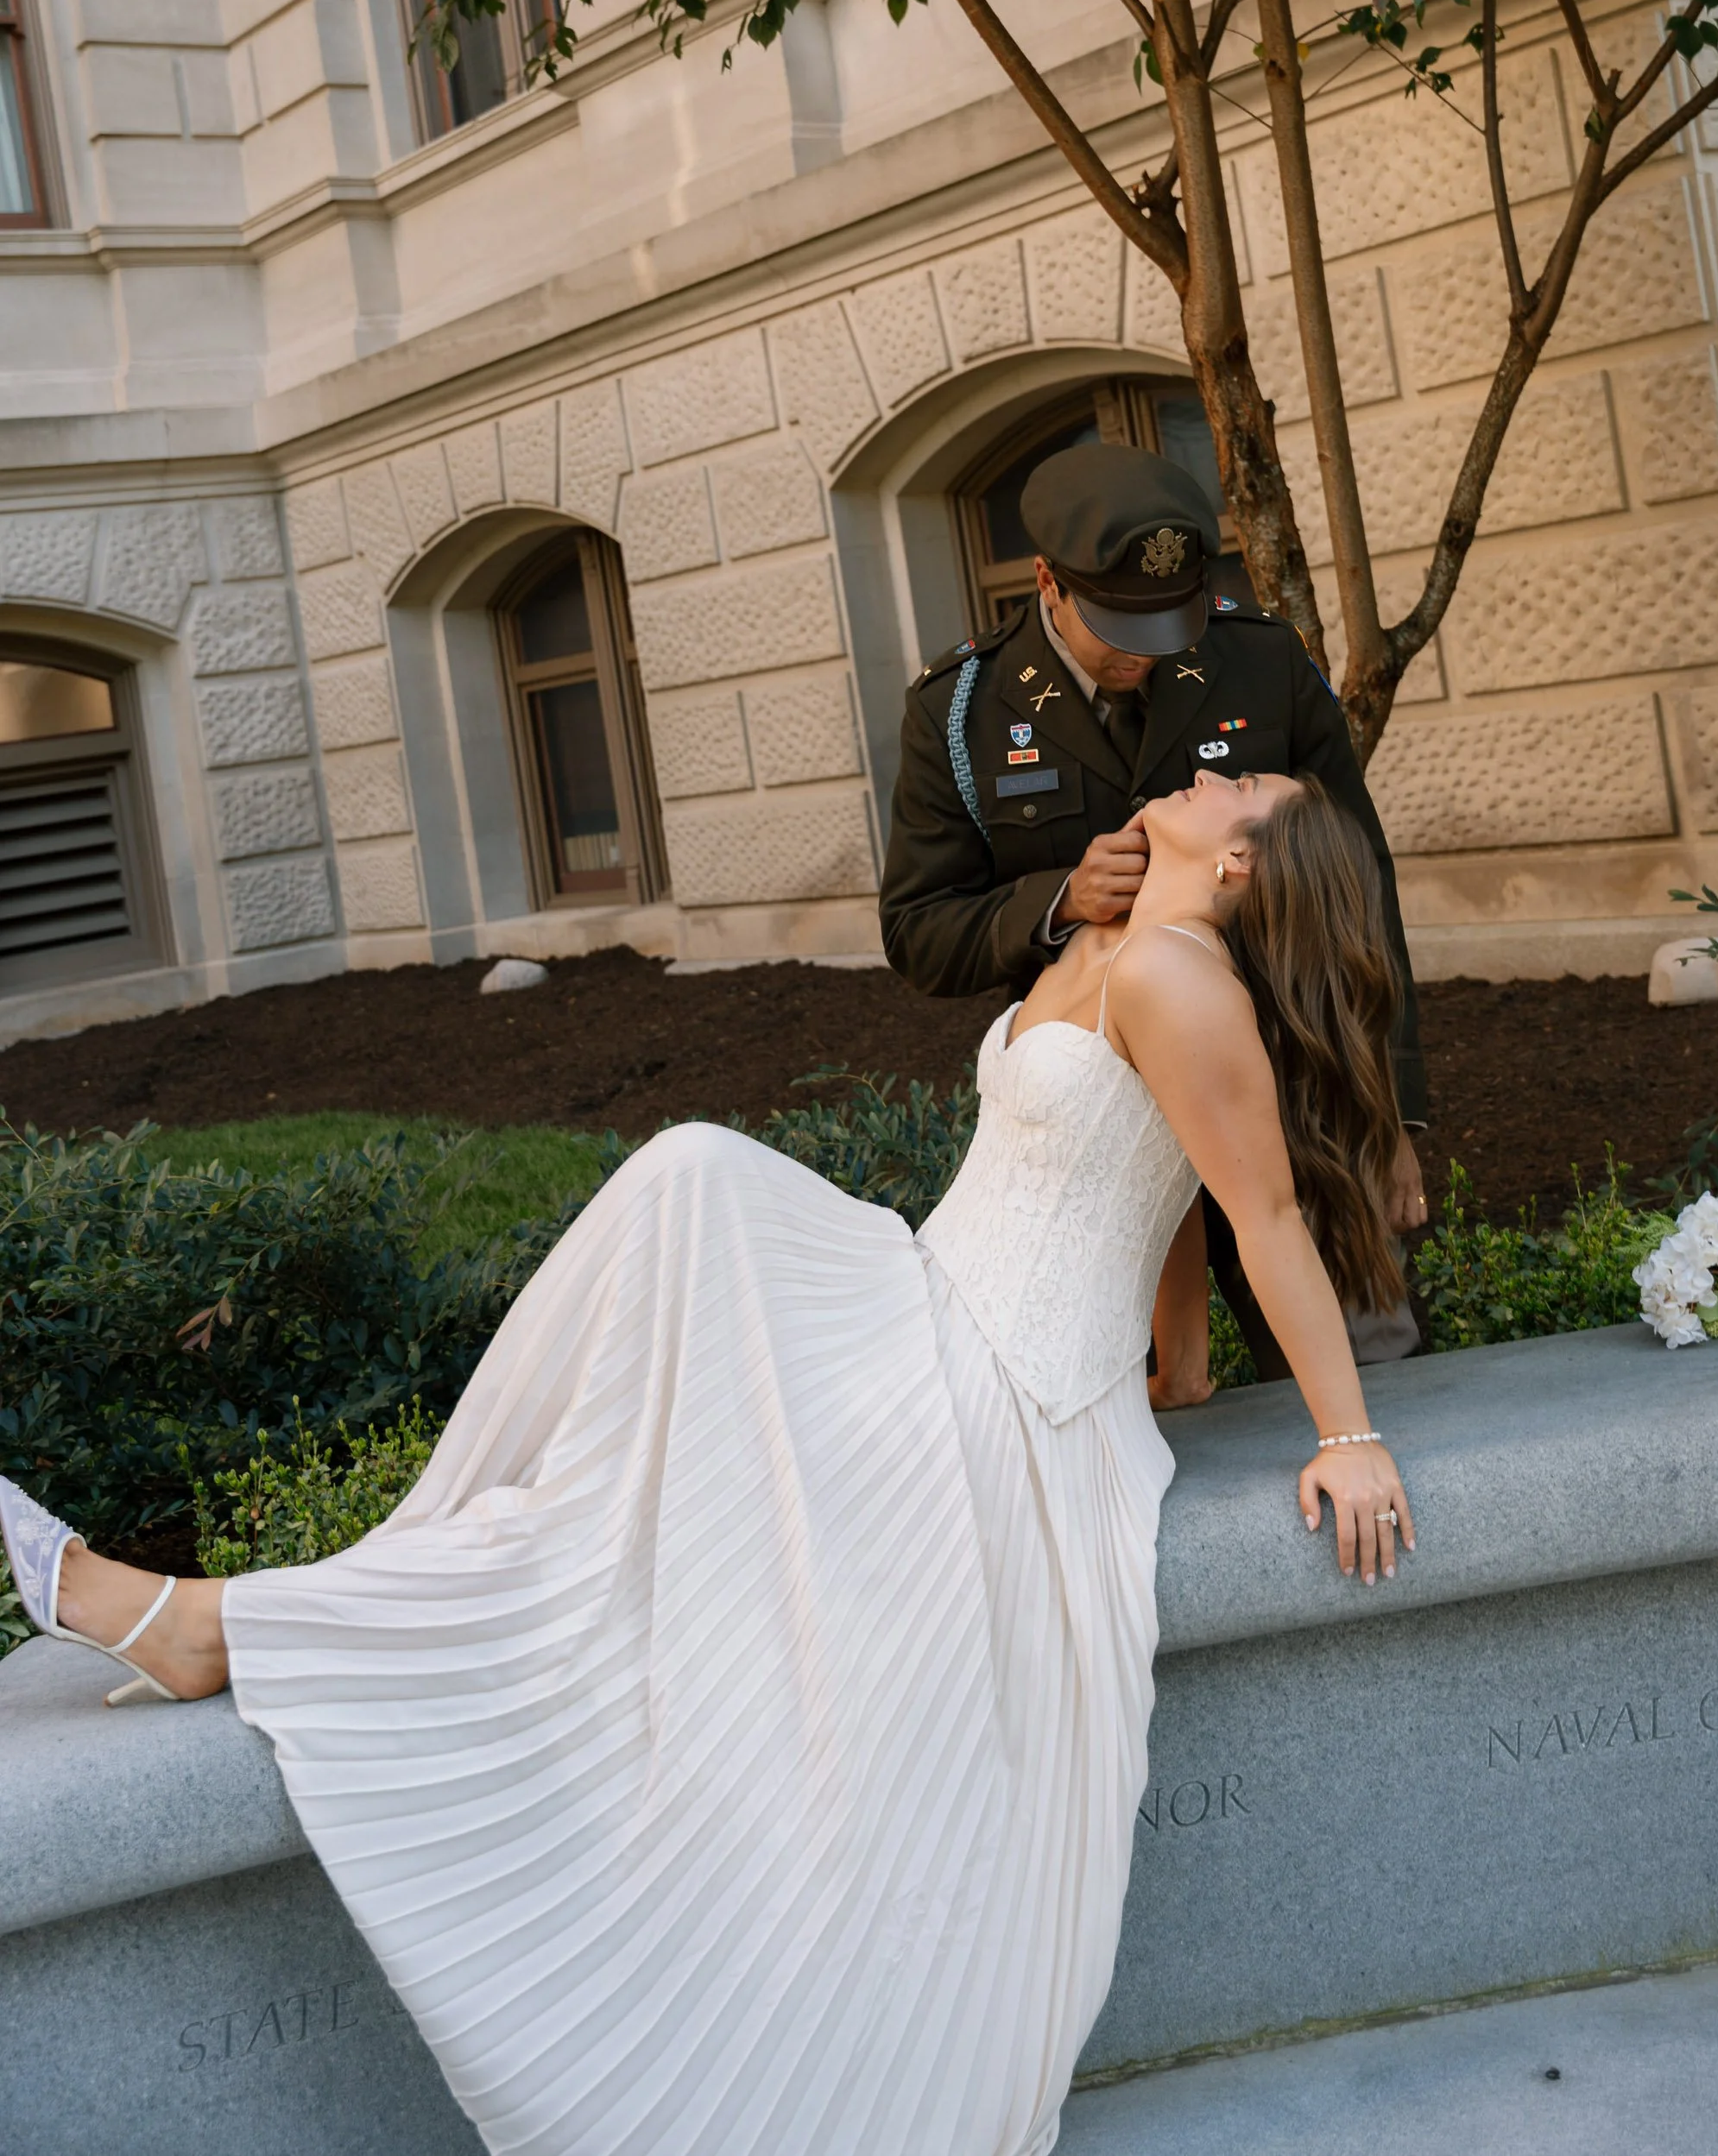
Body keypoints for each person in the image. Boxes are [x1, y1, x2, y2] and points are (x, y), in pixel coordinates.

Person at [3, 773, 1416, 2156]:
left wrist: (1344, 1439)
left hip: (995, 1385)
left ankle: (222, 1625)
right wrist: (1177, 1367)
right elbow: (1161, 1173)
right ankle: (243, 1620)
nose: (1212, 768)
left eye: (1244, 788)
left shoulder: (1182, 978)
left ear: (1238, 869)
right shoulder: (1118, 947)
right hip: (930, 1303)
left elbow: (1264, 1209)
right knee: (663, 1297)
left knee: (688, 1200)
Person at [879, 440, 1430, 1392]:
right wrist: (1052, 901)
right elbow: (917, 929)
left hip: (1290, 1103)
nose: (1144, 648)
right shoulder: (958, 712)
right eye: (1115, 623)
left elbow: (1358, 894)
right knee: (1140, 1422)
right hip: (1110, 1165)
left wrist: (1386, 1111)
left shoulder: (1257, 661)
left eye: (1163, 620)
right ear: (1047, 581)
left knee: (1371, 1378)